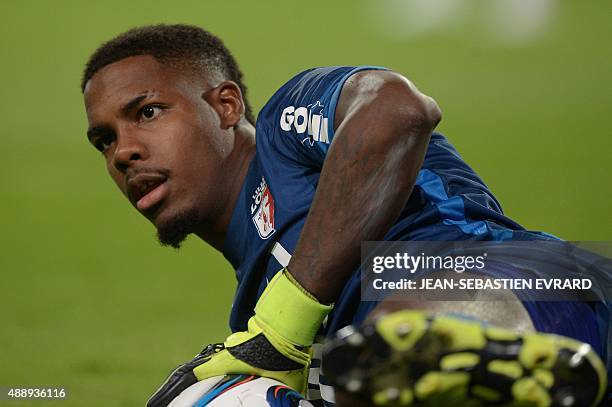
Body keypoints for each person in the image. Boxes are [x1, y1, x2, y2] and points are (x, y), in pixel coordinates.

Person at [81, 24, 609, 406]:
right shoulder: (254, 312)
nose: (123, 152)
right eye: (104, 141)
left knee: (389, 342)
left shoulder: (285, 133)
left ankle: (474, 360)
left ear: (226, 106)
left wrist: (283, 321)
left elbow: (398, 110)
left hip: (546, 280)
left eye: (147, 113)